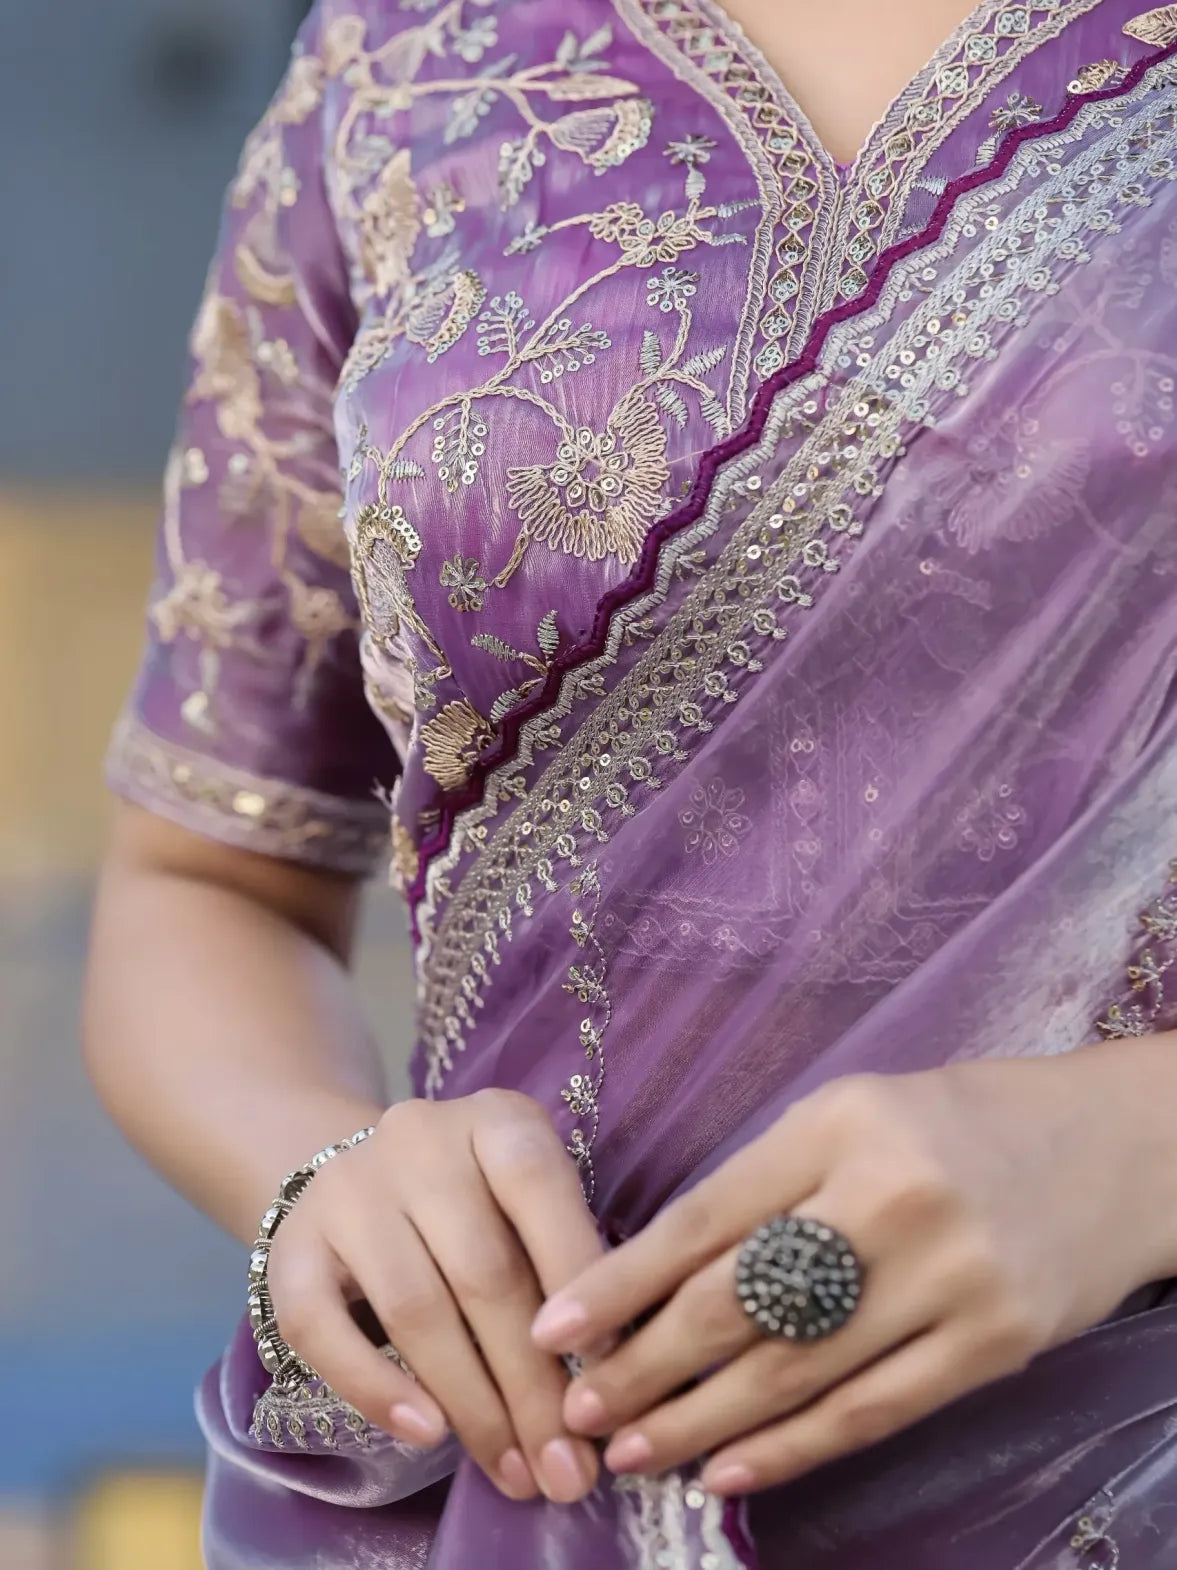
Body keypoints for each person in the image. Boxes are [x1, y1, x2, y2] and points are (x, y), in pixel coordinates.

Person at [83, 0, 1177, 1562]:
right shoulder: (406, 61)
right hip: (508, 1475)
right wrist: (327, 1174)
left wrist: (1133, 1150)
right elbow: (204, 874)